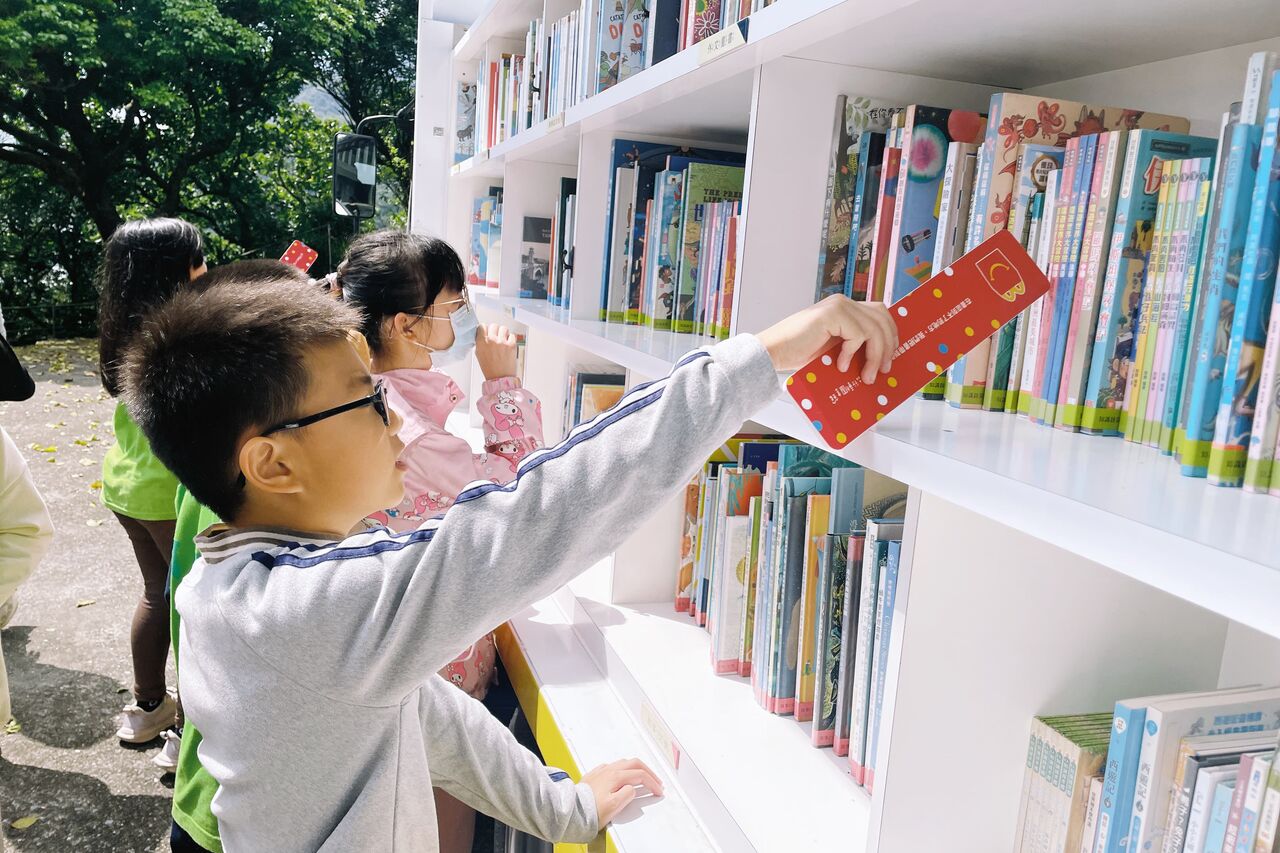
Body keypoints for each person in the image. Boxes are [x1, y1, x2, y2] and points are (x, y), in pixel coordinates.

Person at [120, 269, 896, 851]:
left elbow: (423, 710)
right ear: (271, 464)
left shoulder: (228, 582)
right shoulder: (319, 608)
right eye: (367, 398)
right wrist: (761, 358)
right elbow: (541, 512)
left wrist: (564, 806)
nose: (394, 415)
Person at [337, 231, 544, 850]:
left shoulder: (371, 397)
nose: (462, 318)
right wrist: (503, 383)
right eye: (452, 307)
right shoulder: (409, 425)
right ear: (405, 324)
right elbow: (516, 508)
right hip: (435, 663)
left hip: (403, 647)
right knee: (442, 815)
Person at [97, 217, 206, 770]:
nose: (206, 269)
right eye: (199, 259)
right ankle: (185, 730)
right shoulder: (179, 336)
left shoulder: (125, 327)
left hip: (125, 485)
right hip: (169, 495)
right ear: (178, 270)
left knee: (156, 593)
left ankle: (146, 709)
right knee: (191, 608)